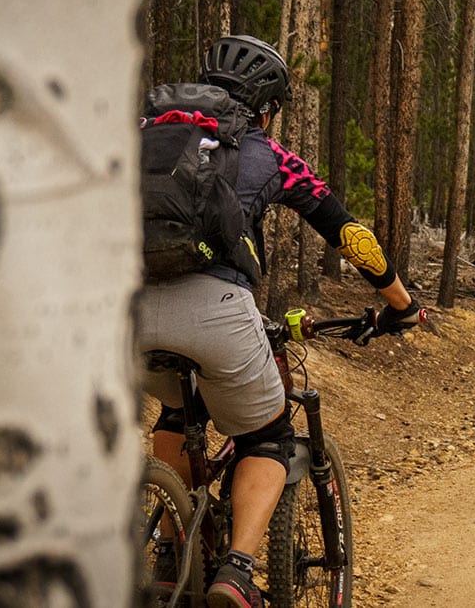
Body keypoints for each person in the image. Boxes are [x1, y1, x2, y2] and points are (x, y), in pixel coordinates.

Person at [138, 35, 422, 608]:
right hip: (216, 312)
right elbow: (347, 232)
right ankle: (237, 572)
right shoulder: (265, 152)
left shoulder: (140, 135)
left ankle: (168, 553)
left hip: (124, 313)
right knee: (266, 438)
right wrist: (400, 302)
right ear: (266, 107)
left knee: (175, 409)